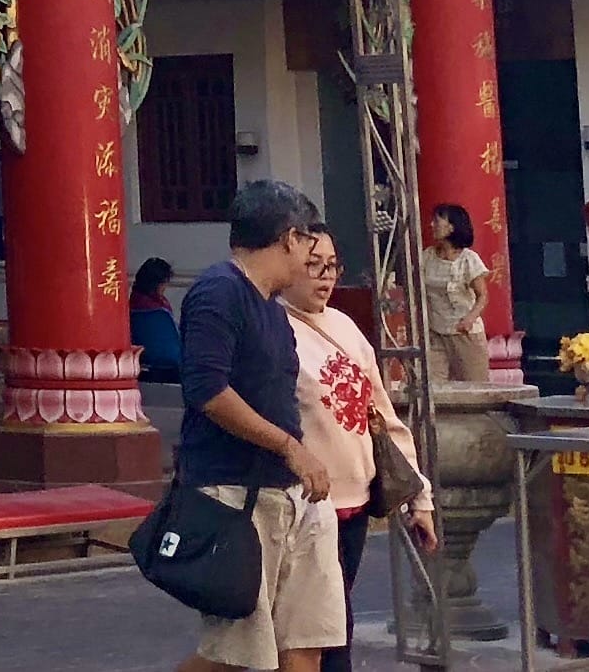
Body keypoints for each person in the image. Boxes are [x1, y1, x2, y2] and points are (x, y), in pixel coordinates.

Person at [173, 182, 346, 672]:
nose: (312, 260)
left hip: (292, 493)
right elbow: (207, 391)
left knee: (306, 643)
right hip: (238, 491)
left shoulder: (272, 307)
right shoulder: (218, 290)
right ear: (290, 238)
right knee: (236, 654)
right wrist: (290, 447)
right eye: (310, 246)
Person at [281, 222, 434, 672]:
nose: (325, 277)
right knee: (316, 631)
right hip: (303, 506)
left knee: (336, 620)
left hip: (354, 502)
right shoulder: (271, 328)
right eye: (312, 266)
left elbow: (383, 418)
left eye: (331, 266)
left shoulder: (345, 326)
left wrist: (419, 497)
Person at [419, 203, 491, 385]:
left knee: (475, 385)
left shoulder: (468, 259)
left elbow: (482, 295)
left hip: (464, 333)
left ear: (451, 227)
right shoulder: (427, 256)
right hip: (436, 332)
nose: (432, 225)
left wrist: (469, 319)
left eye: (437, 221)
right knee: (434, 386)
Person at [132, 256, 187, 382]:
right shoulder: (159, 312)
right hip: (170, 371)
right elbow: (172, 351)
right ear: (157, 284)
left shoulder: (131, 308)